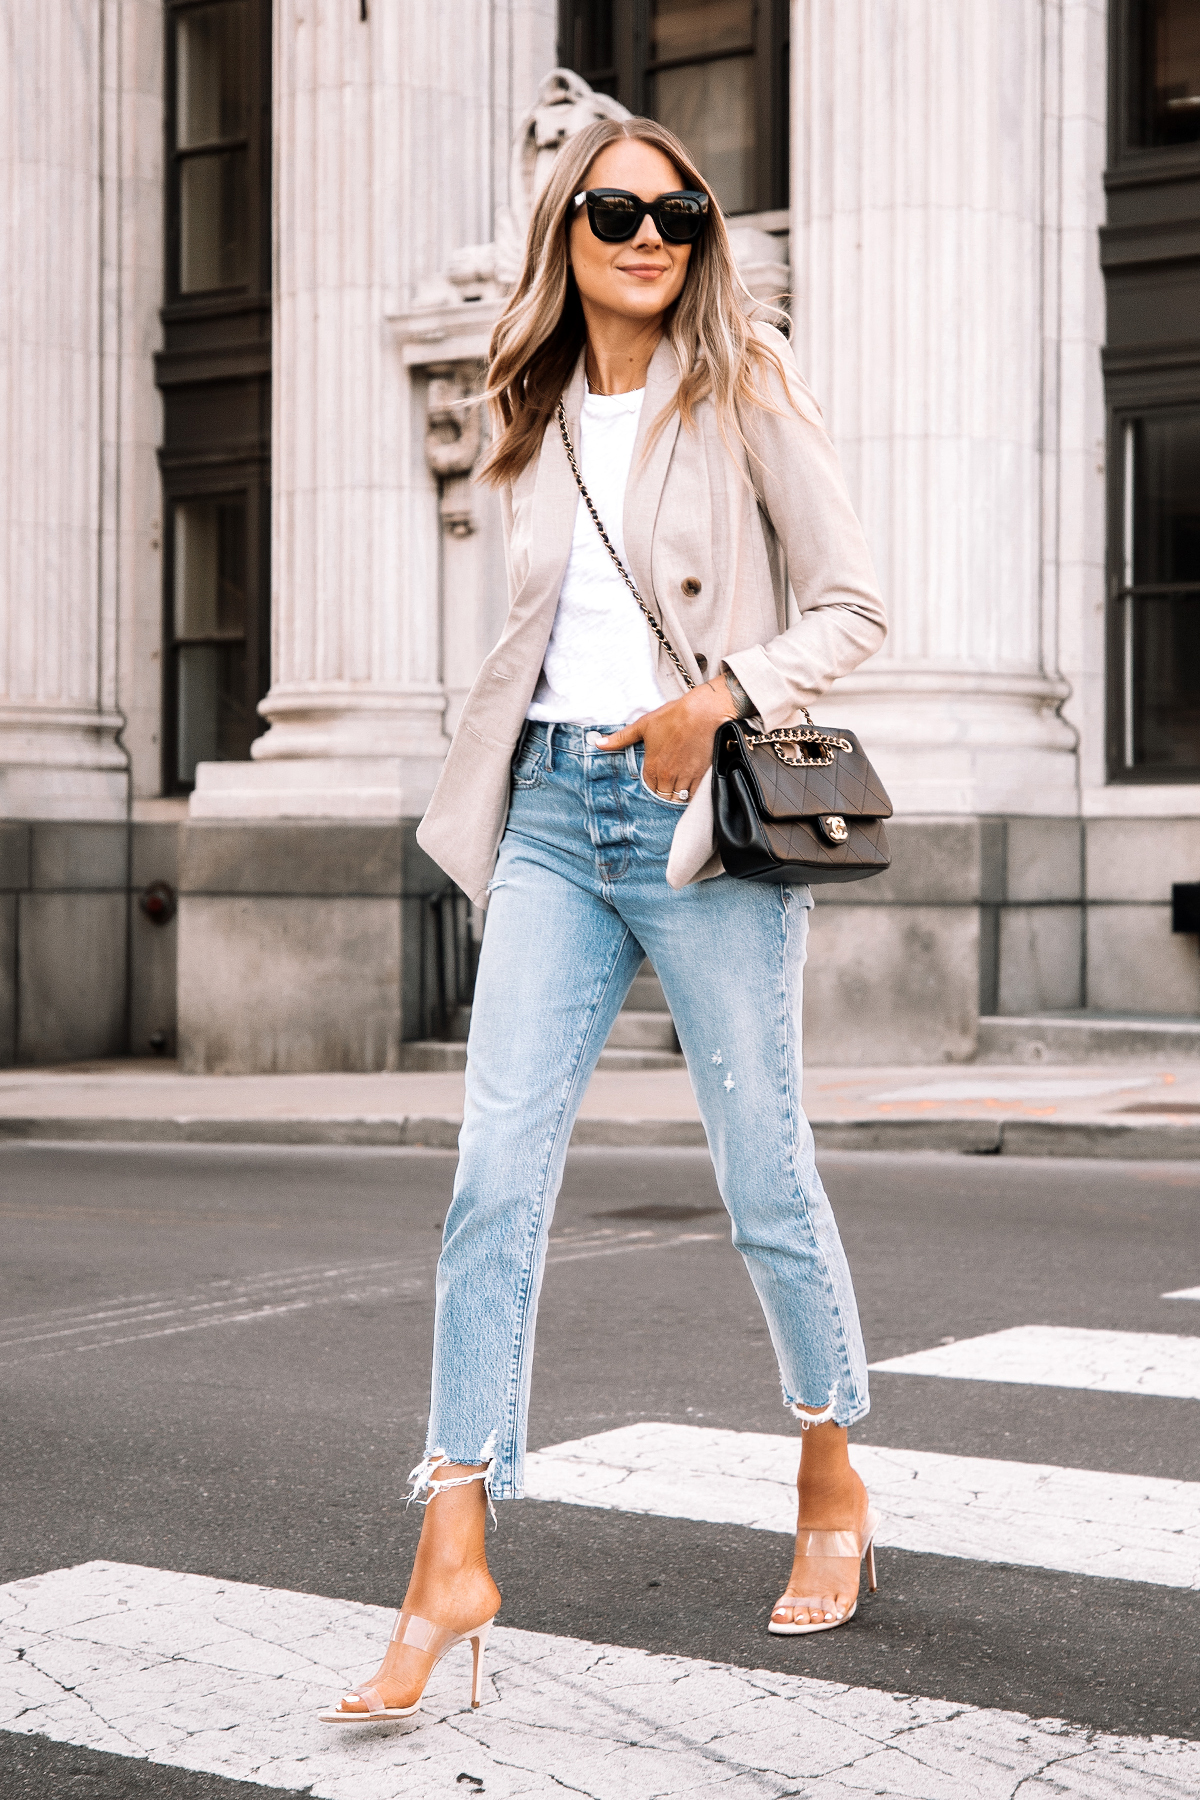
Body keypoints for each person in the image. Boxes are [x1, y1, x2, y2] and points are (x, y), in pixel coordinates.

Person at [321, 114, 888, 1725]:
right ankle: (452, 1552)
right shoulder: (531, 404)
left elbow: (854, 604)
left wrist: (722, 697)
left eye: (681, 212)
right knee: (493, 1176)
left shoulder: (747, 384)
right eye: (619, 210)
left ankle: (831, 1469)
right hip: (556, 821)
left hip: (697, 815)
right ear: (565, 230)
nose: (652, 235)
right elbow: (535, 634)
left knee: (762, 1167)